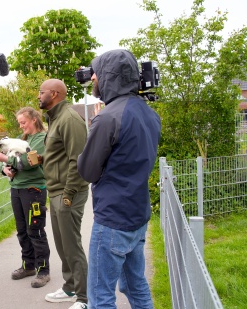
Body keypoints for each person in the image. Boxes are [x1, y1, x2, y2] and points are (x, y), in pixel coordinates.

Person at [77, 49, 161, 309]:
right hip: (137, 215)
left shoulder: (107, 117)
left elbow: (87, 171)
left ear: (108, 76)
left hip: (113, 220)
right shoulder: (149, 113)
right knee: (135, 285)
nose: (91, 80)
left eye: (95, 75)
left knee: (100, 296)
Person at [29, 79, 90, 309]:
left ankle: (84, 298)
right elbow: (61, 155)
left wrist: (68, 195)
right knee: (62, 245)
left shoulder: (69, 119)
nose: (38, 96)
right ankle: (70, 287)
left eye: (41, 91)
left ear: (54, 94)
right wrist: (43, 159)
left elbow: (78, 160)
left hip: (68, 192)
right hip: (55, 190)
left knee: (72, 245)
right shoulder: (55, 119)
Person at [0, 107, 51, 288]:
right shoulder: (24, 140)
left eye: (23, 122)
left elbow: (30, 162)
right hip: (17, 188)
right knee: (22, 230)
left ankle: (43, 270)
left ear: (34, 119)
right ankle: (28, 265)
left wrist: (6, 161)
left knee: (35, 229)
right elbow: (15, 160)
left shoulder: (42, 139)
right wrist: (5, 170)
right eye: (19, 123)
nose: (21, 126)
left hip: (33, 190)